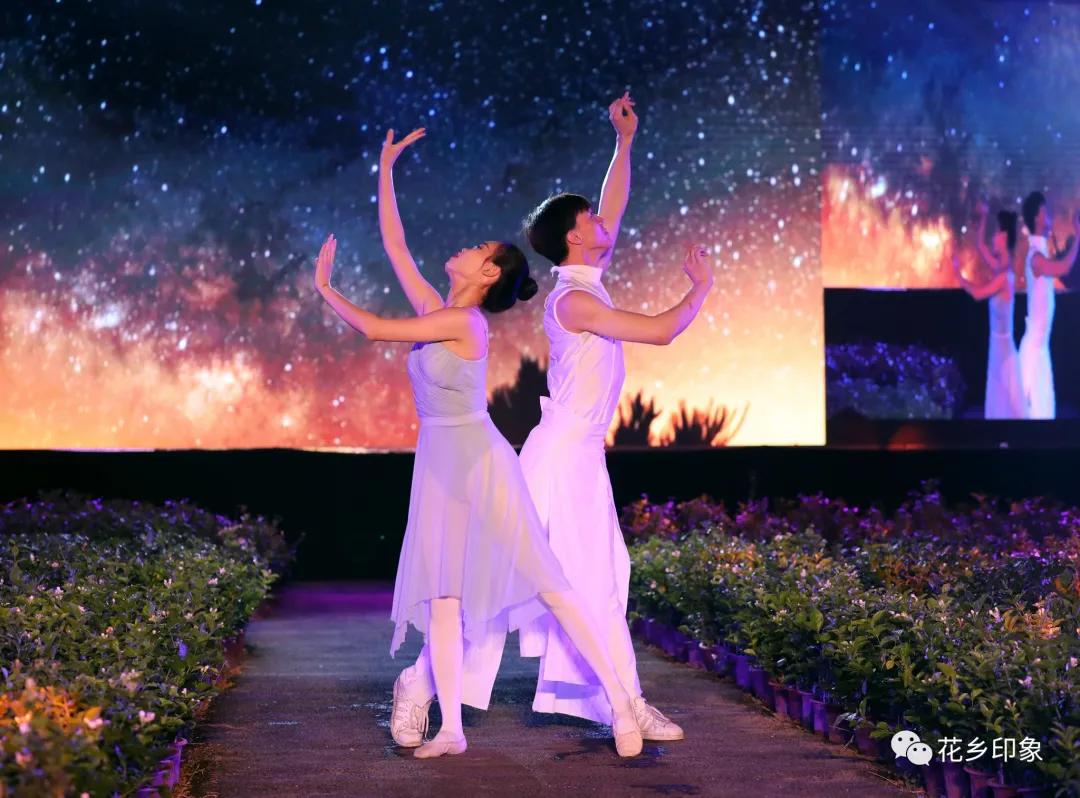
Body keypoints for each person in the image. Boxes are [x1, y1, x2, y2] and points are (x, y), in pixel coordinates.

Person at [314, 128, 643, 759]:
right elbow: (395, 244)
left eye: (477, 248)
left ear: (489, 272)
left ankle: (622, 703)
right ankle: (451, 730)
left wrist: (326, 289)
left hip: (480, 460)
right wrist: (386, 169)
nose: (464, 247)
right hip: (439, 464)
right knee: (446, 601)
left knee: (548, 584)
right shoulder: (435, 308)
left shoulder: (463, 323)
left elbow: (375, 328)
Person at [514, 92, 712, 736]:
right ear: (574, 236)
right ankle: (627, 705)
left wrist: (624, 142)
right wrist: (701, 289)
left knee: (597, 579)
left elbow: (616, 205)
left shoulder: (586, 281)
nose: (605, 220)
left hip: (579, 455)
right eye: (591, 218)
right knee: (562, 584)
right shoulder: (572, 301)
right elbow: (660, 331)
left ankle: (620, 702)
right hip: (560, 459)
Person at [952, 203, 1024, 419]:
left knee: (1008, 400)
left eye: (996, 233)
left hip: (1003, 347)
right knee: (1000, 398)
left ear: (1004, 237)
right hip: (997, 343)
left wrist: (958, 274)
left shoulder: (1004, 276)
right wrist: (983, 217)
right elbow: (981, 246)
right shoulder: (1000, 268)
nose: (993, 238)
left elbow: (977, 293)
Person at [1017, 192, 1080, 419]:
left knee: (1041, 414)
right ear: (1037, 217)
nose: (1050, 213)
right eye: (1045, 210)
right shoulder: (1036, 257)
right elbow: (1063, 267)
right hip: (1034, 352)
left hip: (1040, 348)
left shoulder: (1041, 252)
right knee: (1035, 415)